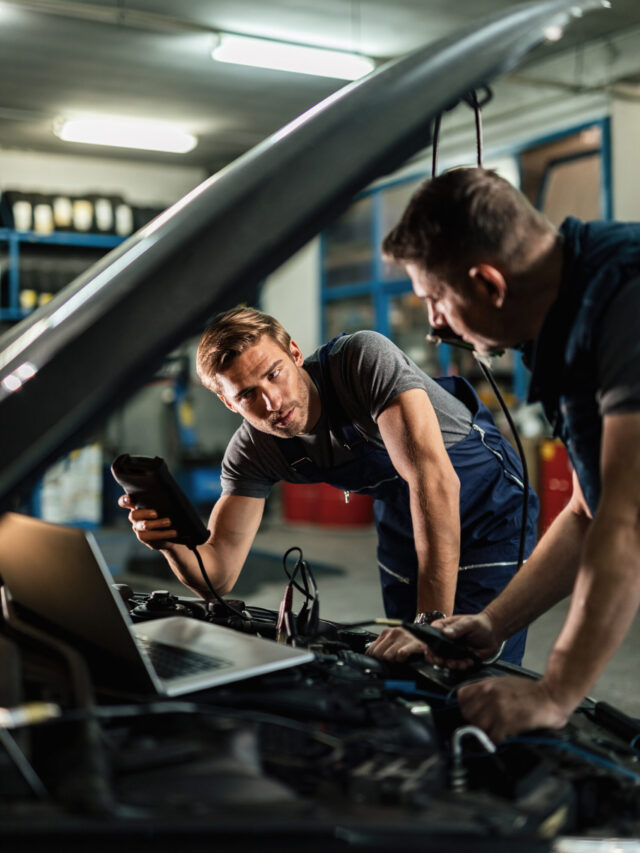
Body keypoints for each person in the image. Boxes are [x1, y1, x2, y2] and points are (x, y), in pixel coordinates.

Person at [373, 165, 640, 741]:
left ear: (489, 285)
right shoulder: (573, 322)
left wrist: (555, 693)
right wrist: (494, 621)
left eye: (435, 301)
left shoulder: (628, 297)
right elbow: (590, 511)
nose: (435, 326)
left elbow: (629, 518)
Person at [119, 306, 538, 664]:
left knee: (466, 658)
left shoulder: (361, 362)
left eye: (274, 374)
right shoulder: (252, 450)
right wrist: (170, 541)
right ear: (228, 403)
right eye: (247, 394)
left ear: (296, 354)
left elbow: (433, 481)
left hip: (488, 506)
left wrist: (428, 624)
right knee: (402, 662)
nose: (272, 402)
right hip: (404, 516)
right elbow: (219, 574)